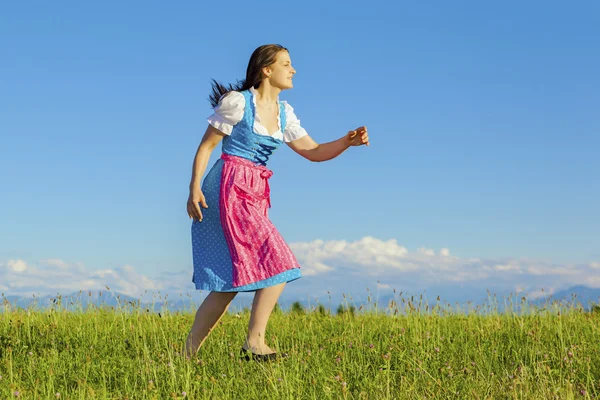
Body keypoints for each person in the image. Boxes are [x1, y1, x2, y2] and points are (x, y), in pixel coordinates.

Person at [183, 44, 369, 361]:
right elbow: (206, 147)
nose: (293, 69)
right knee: (279, 260)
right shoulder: (238, 103)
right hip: (229, 186)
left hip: (254, 192)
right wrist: (194, 189)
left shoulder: (285, 113)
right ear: (267, 70)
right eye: (287, 64)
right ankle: (254, 343)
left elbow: (313, 151)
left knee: (229, 283)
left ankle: (187, 356)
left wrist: (346, 142)